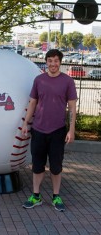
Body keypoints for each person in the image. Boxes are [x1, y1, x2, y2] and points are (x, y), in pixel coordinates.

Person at [22, 49, 77, 212]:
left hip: (58, 131)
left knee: (56, 166)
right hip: (38, 129)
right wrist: (26, 123)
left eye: (56, 60)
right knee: (37, 165)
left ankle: (56, 196)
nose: (53, 63)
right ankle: (36, 196)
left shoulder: (67, 81)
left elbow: (72, 107)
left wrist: (71, 130)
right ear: (46, 62)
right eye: (50, 60)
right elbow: (32, 103)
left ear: (60, 62)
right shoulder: (39, 80)